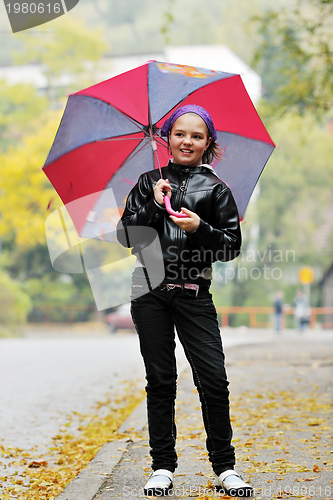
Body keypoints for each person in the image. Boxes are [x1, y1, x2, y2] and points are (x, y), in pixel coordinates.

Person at [117, 105, 253, 497]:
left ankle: (225, 467)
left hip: (195, 295)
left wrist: (200, 227)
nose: (187, 141)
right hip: (149, 294)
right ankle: (162, 466)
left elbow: (230, 247)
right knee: (160, 381)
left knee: (214, 380)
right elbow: (125, 237)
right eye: (180, 134)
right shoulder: (148, 183)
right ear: (167, 138)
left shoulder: (216, 190)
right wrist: (152, 203)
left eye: (197, 136)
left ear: (209, 143)